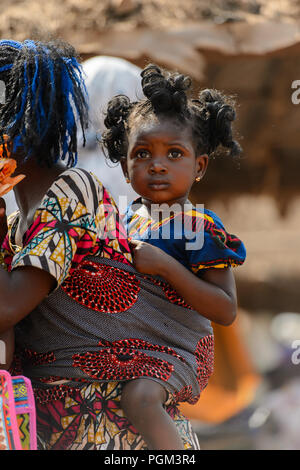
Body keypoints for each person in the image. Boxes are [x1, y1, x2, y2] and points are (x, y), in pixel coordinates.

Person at [0, 39, 200, 450]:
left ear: (18, 126)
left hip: (121, 431)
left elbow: (6, 306)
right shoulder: (17, 223)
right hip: (63, 426)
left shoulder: (72, 191)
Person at [101, 64, 247, 449]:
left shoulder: (198, 227)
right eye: (143, 153)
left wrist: (166, 267)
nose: (158, 164)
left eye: (174, 153)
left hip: (178, 352)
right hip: (129, 352)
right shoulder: (121, 220)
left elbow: (226, 309)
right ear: (123, 164)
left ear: (199, 166)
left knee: (140, 399)